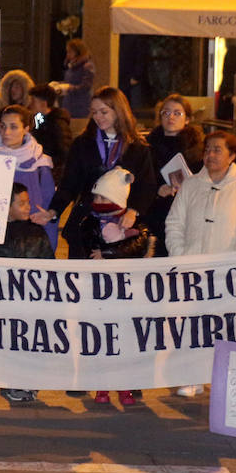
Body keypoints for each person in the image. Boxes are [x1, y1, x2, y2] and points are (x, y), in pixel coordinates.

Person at [164, 131, 236, 397]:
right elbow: (174, 223)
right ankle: (192, 375)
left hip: (229, 269)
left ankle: (223, 378)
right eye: (207, 149)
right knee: (192, 323)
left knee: (227, 325)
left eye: (217, 150)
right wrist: (180, 255)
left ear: (231, 155)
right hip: (192, 268)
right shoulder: (191, 185)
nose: (210, 155)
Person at [35, 87, 157, 261]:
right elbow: (69, 184)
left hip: (122, 229)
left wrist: (133, 211)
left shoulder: (137, 148)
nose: (98, 117)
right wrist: (53, 211)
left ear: (119, 111)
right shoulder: (83, 143)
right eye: (94, 112)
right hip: (85, 225)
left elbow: (146, 186)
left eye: (103, 112)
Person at [73, 167, 154, 406]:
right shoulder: (89, 222)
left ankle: (125, 385)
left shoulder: (135, 223)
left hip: (127, 291)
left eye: (102, 197)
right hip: (100, 290)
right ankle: (101, 384)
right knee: (102, 337)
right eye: (95, 197)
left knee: (126, 338)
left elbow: (139, 245)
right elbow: (89, 246)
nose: (96, 201)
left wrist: (109, 253)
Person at [0, 184, 54, 403]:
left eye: (27, 202)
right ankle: (15, 382)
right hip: (9, 298)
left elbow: (49, 261)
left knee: (30, 341)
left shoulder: (37, 230)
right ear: (7, 208)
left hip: (33, 297)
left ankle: (28, 381)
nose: (27, 207)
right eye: (21, 203)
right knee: (13, 341)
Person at [0, 105, 58, 251]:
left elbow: (47, 208)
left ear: (26, 128)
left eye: (13, 127)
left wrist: (48, 247)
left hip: (30, 242)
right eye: (2, 126)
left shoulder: (40, 164)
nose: (6, 132)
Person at [146, 94, 205, 257]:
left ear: (187, 119)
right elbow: (143, 178)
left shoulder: (198, 147)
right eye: (166, 112)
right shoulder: (148, 146)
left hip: (188, 211)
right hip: (159, 211)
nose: (171, 117)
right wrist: (158, 189)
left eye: (177, 113)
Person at [28, 85, 72, 180]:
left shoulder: (57, 124)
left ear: (43, 104)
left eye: (33, 101)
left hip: (52, 174)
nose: (30, 105)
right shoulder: (40, 120)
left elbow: (64, 152)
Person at [52, 38, 95, 119]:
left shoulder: (87, 66)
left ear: (78, 52)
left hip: (80, 106)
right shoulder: (71, 66)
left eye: (70, 52)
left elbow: (86, 86)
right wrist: (59, 85)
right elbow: (69, 82)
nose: (68, 55)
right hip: (68, 104)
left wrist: (69, 88)